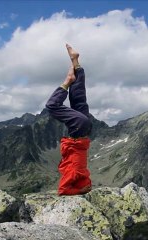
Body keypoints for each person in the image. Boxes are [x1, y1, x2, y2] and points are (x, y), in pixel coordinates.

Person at [45, 44, 93, 195]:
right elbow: (63, 190)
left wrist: (80, 189)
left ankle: (76, 63)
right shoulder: (75, 172)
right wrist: (78, 192)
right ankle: (68, 80)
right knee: (52, 106)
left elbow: (66, 188)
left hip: (84, 131)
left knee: (79, 100)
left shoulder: (79, 173)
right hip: (79, 131)